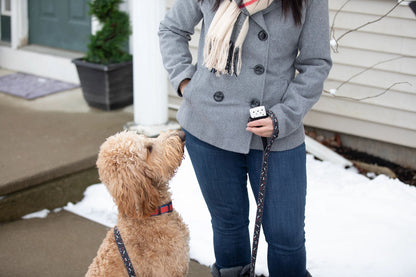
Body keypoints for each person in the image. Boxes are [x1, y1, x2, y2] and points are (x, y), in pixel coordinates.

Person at [158, 0, 332, 276]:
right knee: (228, 224)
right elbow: (171, 29)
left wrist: (284, 116)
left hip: (274, 131)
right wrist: (185, 82)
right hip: (208, 124)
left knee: (286, 236)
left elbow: (316, 64)